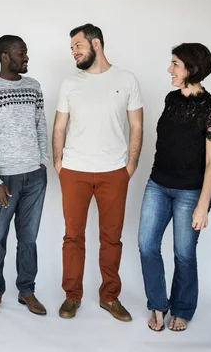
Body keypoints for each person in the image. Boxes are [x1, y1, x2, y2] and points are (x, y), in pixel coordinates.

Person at [52, 23, 143, 321]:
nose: (74, 52)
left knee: (112, 238)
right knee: (73, 237)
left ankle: (110, 297)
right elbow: (60, 126)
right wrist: (58, 162)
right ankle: (72, 296)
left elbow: (137, 126)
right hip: (74, 170)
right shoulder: (70, 83)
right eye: (72, 49)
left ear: (96, 44)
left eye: (78, 46)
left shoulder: (127, 79)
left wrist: (129, 167)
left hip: (114, 172)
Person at [138, 43, 211, 332]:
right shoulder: (170, 99)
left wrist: (203, 204)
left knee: (184, 253)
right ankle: (158, 305)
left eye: (175, 63)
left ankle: (183, 308)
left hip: (191, 193)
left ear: (192, 68)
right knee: (147, 246)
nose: (169, 69)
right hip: (158, 185)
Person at [0, 35, 49, 316]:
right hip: (4, 180)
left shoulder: (34, 87)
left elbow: (41, 125)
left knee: (28, 239)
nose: (26, 57)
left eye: (26, 52)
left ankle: (26, 291)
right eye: (22, 53)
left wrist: (43, 163)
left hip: (34, 178)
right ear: (5, 56)